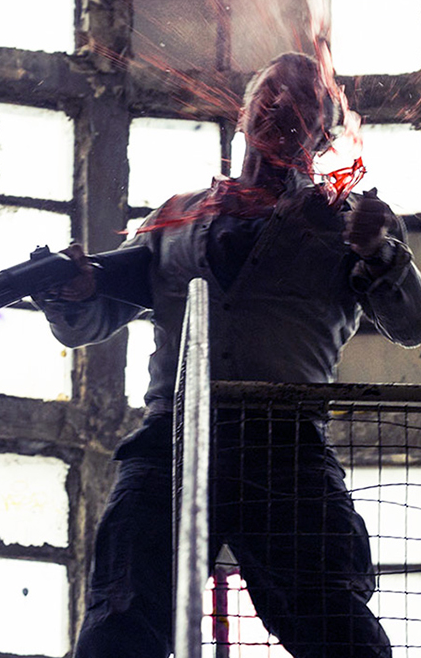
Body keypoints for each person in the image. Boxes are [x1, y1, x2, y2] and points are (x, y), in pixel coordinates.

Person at [36, 52, 421, 658]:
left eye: (304, 101)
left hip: (285, 446)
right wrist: (71, 291)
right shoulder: (175, 218)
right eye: (271, 92)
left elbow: (410, 322)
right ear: (243, 114)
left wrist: (380, 251)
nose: (283, 105)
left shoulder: (346, 221)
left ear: (325, 134)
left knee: (334, 622)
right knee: (121, 616)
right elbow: (90, 319)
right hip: (171, 439)